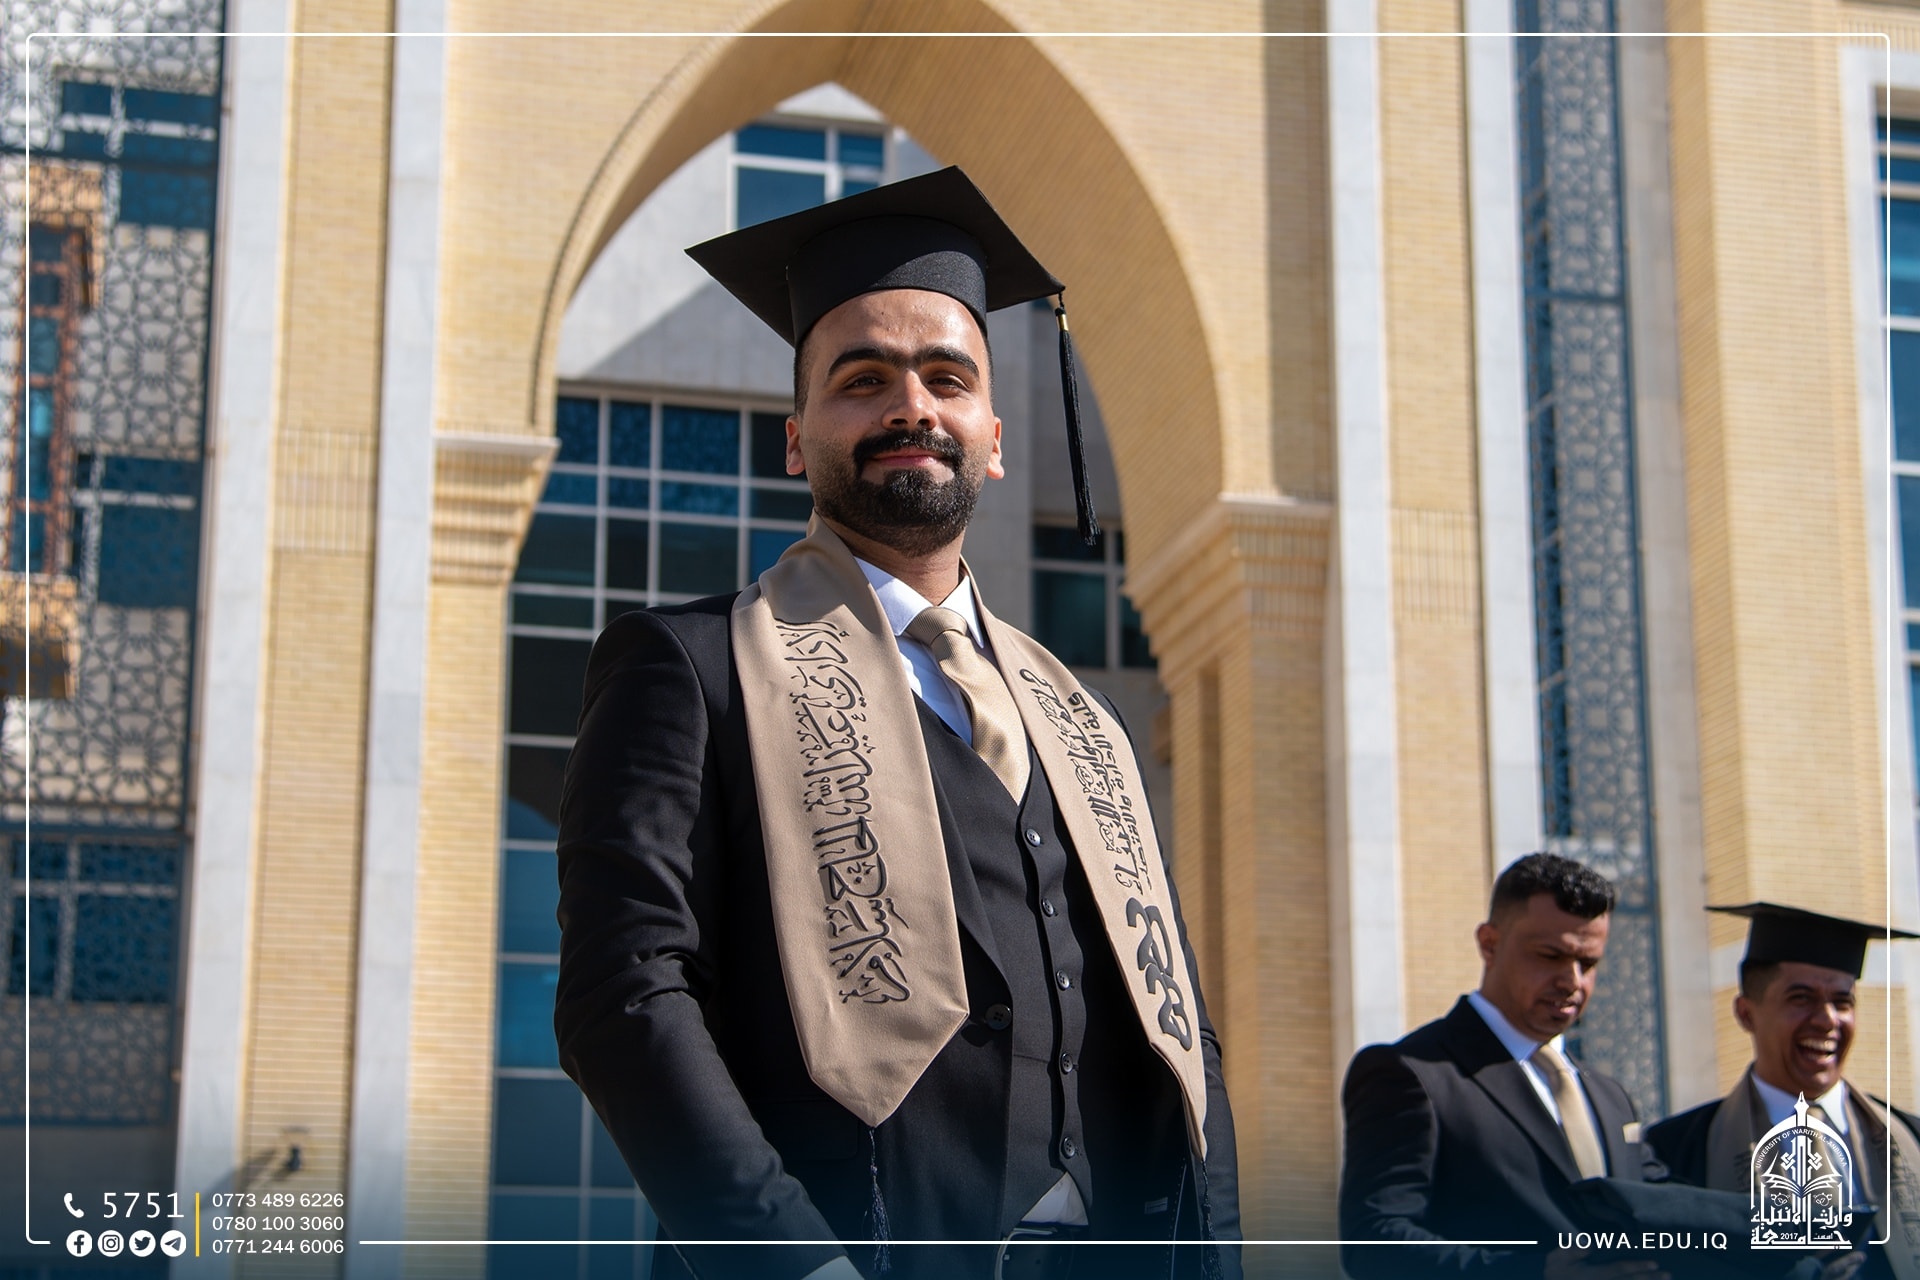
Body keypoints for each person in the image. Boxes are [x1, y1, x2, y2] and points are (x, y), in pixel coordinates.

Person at [552, 166, 1240, 1280]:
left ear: (993, 437)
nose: (909, 406)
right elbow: (625, 993)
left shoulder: (1085, 722)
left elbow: (1181, 1032)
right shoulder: (691, 665)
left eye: (945, 378)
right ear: (796, 439)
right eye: (862, 378)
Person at [1338, 853, 1667, 1279]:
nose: (1572, 981)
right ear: (1489, 944)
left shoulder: (1610, 1097)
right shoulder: (1410, 1073)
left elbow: (1665, 1212)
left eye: (1588, 964)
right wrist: (1535, 1273)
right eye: (1550, 955)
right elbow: (1374, 1242)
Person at [1646, 904, 1919, 1279]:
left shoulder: (1912, 1140)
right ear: (1746, 1013)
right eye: (1801, 999)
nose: (1826, 1020)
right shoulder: (1673, 1154)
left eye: (1842, 1002)